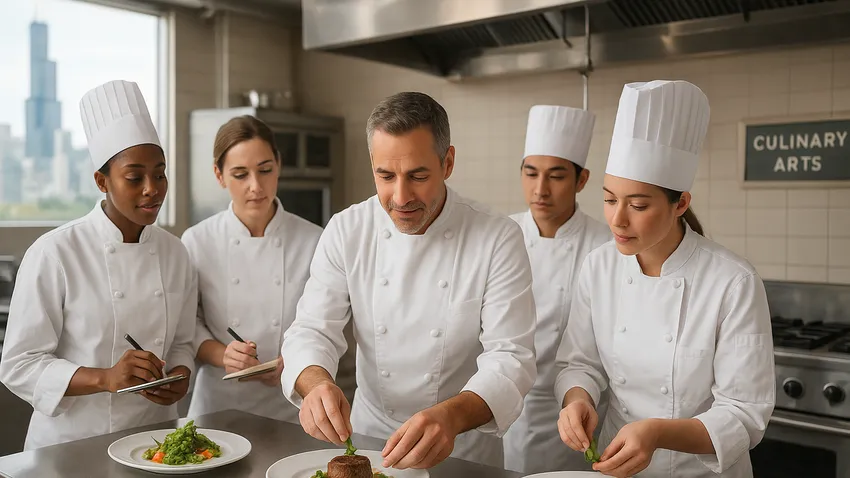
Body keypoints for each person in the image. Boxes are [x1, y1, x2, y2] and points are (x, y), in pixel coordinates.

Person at [280, 91, 537, 470]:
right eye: (385, 176)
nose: (400, 197)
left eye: (418, 176)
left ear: (447, 162)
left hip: (462, 451)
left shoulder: (497, 237)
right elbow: (312, 330)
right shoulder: (347, 229)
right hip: (370, 446)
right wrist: (316, 383)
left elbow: (510, 358)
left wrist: (450, 417)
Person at [554, 80, 775, 478]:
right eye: (608, 199)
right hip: (620, 466)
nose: (618, 219)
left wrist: (656, 433)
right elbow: (579, 362)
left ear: (681, 204)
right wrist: (577, 398)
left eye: (638, 205)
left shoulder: (733, 281)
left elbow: (744, 414)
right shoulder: (599, 267)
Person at [0, 80, 197, 450]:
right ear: (101, 181)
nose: (152, 188)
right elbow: (18, 364)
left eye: (160, 172)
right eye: (134, 177)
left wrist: (181, 374)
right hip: (70, 448)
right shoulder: (56, 252)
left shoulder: (176, 253)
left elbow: (183, 342)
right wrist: (105, 378)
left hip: (153, 442)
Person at [181, 115, 322, 422]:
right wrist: (224, 355)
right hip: (218, 405)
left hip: (290, 405)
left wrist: (298, 363)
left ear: (279, 165)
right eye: (240, 174)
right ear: (219, 175)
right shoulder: (197, 241)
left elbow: (324, 323)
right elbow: (186, 324)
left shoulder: (314, 240)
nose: (256, 186)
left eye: (265, 170)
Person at [503, 105, 611, 474]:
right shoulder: (500, 236)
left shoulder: (607, 246)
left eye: (556, 176)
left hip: (577, 410)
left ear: (582, 181)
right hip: (503, 406)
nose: (540, 189)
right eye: (530, 173)